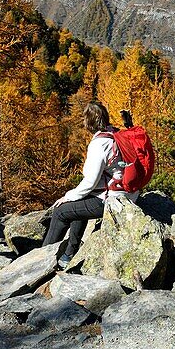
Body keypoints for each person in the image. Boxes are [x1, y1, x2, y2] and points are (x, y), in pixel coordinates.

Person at [42, 102, 135, 268]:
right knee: (78, 205)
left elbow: (90, 182)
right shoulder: (115, 134)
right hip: (127, 193)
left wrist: (67, 196)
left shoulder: (99, 144)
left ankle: (41, 260)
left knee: (61, 211)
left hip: (113, 200)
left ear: (88, 123)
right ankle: (69, 254)